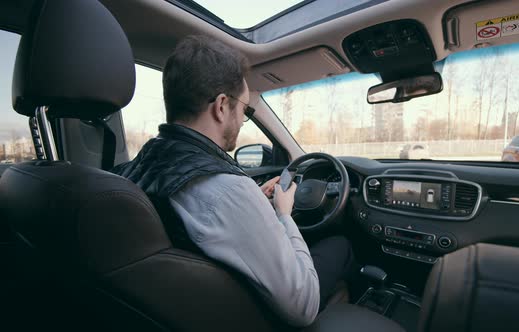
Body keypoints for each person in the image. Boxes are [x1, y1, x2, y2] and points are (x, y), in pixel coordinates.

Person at [112, 35, 355, 327]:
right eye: (244, 110)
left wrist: (252, 200)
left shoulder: (135, 167)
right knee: (340, 245)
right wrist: (283, 215)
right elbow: (303, 306)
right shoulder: (227, 191)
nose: (242, 120)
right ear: (222, 106)